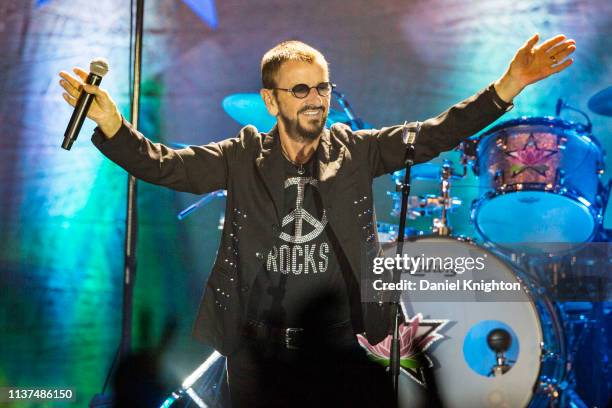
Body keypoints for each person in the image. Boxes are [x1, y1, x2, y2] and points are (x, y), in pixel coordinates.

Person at [59, 34, 575, 407]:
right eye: (300, 90)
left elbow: (437, 131)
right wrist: (111, 123)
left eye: (322, 88)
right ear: (271, 99)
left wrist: (508, 85)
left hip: (338, 347)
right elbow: (163, 164)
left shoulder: (357, 151)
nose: (316, 100)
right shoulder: (240, 156)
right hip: (256, 348)